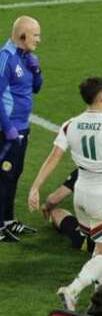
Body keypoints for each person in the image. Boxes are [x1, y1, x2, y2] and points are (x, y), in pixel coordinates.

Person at [28, 77, 102, 309]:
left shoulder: (70, 125)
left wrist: (35, 187)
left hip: (81, 194)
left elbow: (54, 157)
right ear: (101, 97)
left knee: (98, 247)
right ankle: (73, 290)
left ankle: (100, 303)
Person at [0, 15, 42, 242]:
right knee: (3, 175)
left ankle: (8, 221)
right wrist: (7, 128)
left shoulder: (27, 58)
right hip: (7, 130)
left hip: (22, 128)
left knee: (14, 174)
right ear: (22, 36)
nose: (39, 39)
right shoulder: (5, 58)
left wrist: (36, 71)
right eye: (35, 35)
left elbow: (36, 88)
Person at [41, 167, 102, 253]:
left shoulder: (86, 169)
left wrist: (46, 206)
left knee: (56, 213)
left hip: (97, 242)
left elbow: (53, 200)